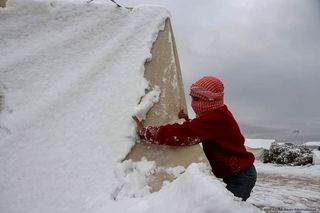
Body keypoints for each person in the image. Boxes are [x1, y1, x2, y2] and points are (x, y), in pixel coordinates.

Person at [132, 76, 256, 201]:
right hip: (238, 173)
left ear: (210, 100)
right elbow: (201, 129)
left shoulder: (215, 119)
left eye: (196, 99)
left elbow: (182, 133)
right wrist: (187, 120)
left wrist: (146, 132)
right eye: (192, 98)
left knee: (226, 208)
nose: (193, 103)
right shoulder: (218, 113)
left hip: (241, 177)